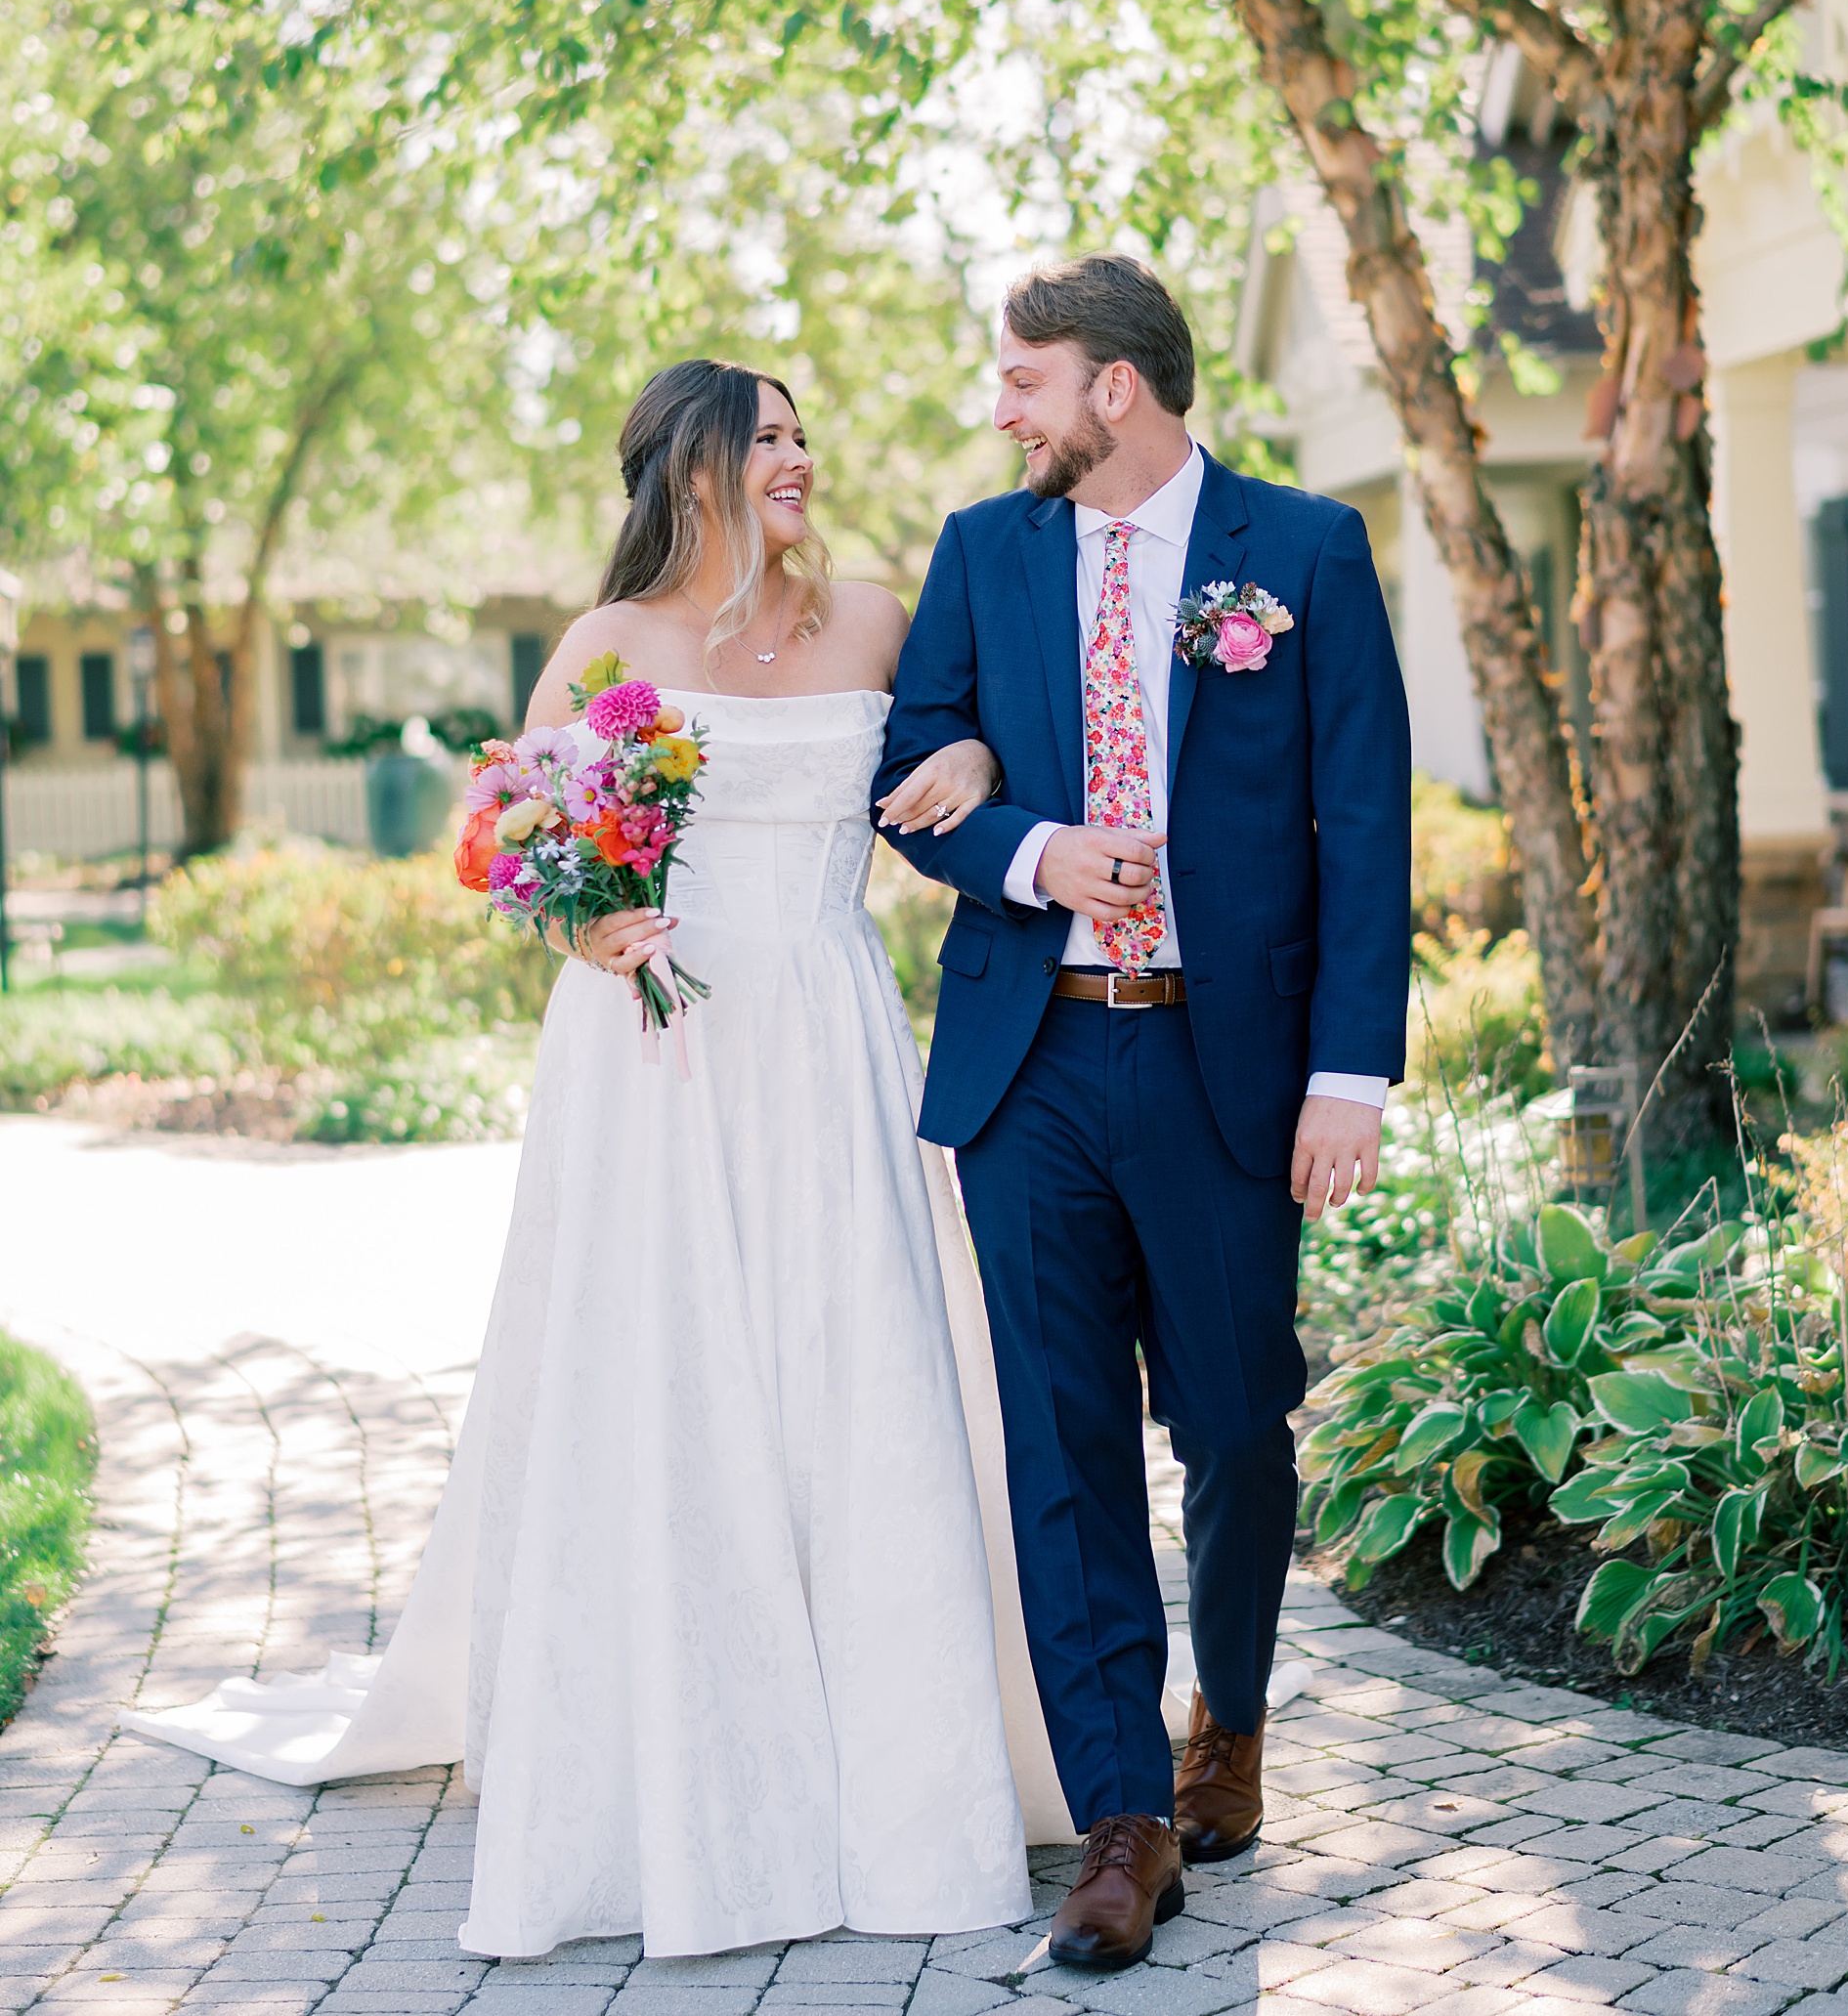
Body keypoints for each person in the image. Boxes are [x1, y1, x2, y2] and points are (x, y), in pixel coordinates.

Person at [122, 358, 1073, 1959]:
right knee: (675, 1387)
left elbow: (957, 771)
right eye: (767, 438)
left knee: (859, 1383)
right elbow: (500, 838)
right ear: (694, 470)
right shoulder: (608, 647)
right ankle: (676, 1790)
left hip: (830, 1043)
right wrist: (584, 924)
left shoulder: (876, 625)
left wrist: (973, 765)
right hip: (661, 1054)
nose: (799, 457)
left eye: (800, 433)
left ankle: (901, 1799)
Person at [874, 255, 1411, 1973]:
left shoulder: (1305, 553)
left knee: (1243, 1427)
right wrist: (1029, 852)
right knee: (1064, 1441)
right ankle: (1121, 1821)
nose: (1002, 408)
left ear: (1119, 386)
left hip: (1223, 1065)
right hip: (1032, 1066)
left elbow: (1365, 821)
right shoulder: (984, 551)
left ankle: (1230, 1716)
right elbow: (919, 765)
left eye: (1025, 379)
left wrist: (1350, 1075)